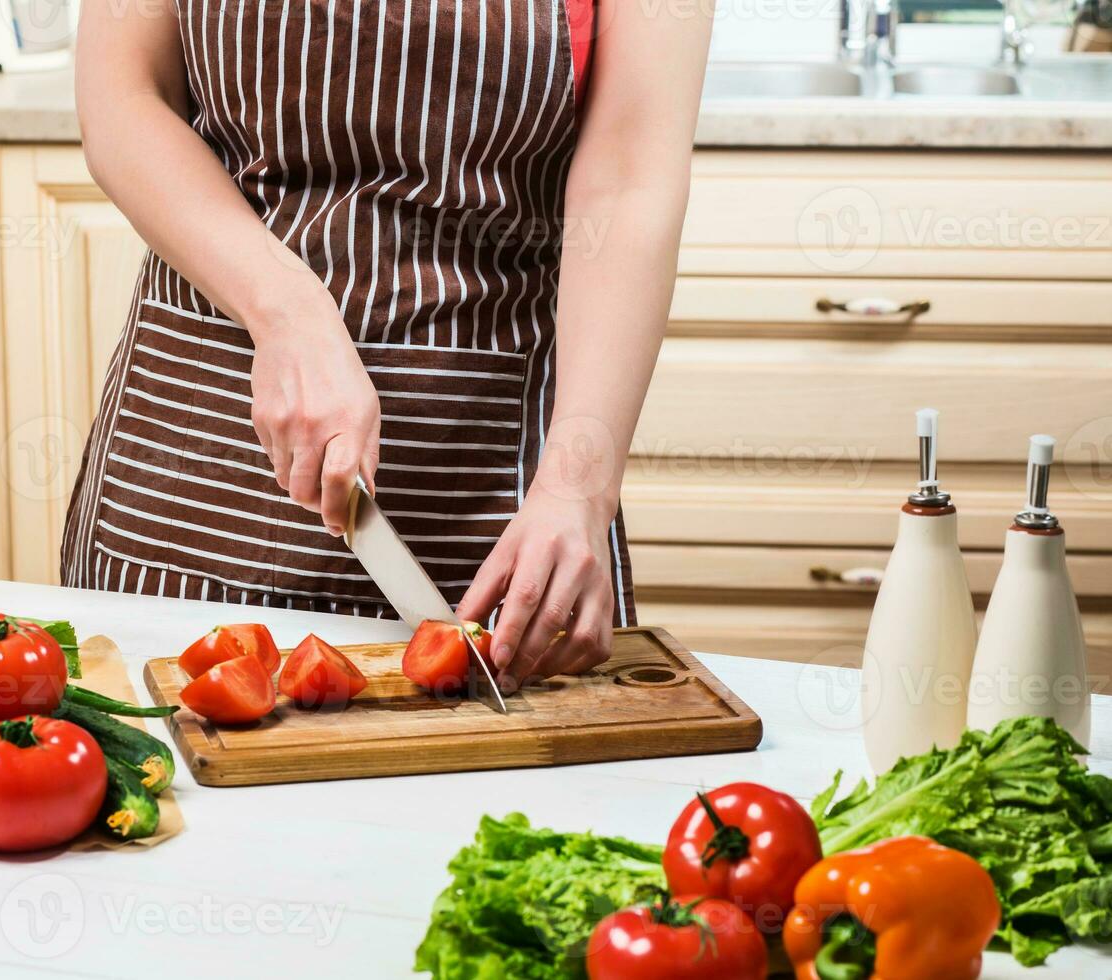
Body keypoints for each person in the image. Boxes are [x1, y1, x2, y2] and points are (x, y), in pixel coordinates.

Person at [65, 0, 712, 690]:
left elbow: (629, 179)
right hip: (201, 465)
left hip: (491, 488)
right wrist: (285, 311)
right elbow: (124, 98)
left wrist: (578, 487)